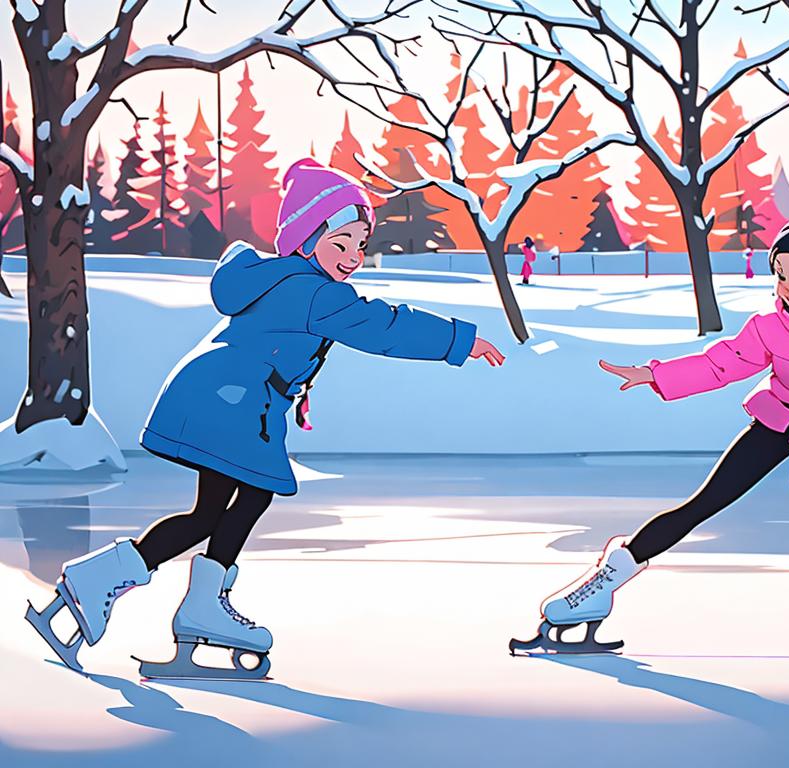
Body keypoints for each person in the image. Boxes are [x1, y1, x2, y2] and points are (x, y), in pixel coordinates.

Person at [27, 158, 505, 679]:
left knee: (214, 509)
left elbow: (279, 345)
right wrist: (458, 340)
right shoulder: (315, 291)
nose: (352, 258)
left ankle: (162, 596)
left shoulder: (279, 278)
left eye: (360, 245)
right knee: (247, 495)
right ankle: (138, 592)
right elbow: (381, 327)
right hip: (233, 404)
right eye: (339, 243)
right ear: (306, 238)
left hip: (218, 396)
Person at [510, 202, 789, 671]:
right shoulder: (768, 328)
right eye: (782, 275)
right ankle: (603, 585)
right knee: (707, 500)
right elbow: (722, 363)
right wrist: (657, 375)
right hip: (779, 414)